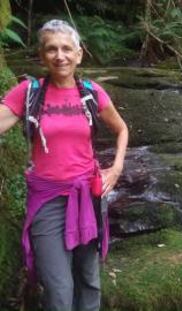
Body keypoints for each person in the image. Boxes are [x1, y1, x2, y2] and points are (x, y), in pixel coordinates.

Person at [0, 19, 128, 311]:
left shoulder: (91, 92)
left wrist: (116, 168)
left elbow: (121, 129)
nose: (60, 55)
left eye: (67, 49)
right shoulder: (29, 92)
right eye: (52, 49)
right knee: (59, 289)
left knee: (89, 280)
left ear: (79, 54)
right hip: (47, 201)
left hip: (89, 196)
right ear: (42, 55)